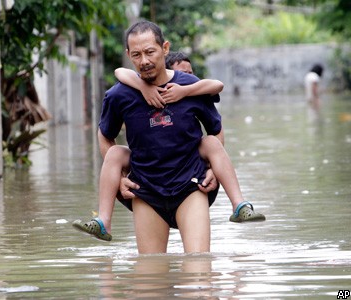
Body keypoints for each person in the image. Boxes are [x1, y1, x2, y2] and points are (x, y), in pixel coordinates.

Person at [73, 20, 264, 253]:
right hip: (146, 191)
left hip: (190, 187)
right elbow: (105, 137)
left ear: (164, 48)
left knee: (199, 268)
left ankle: (240, 205)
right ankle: (103, 221)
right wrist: (120, 179)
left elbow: (215, 131)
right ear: (128, 55)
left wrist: (212, 169)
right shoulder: (119, 95)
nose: (144, 61)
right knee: (150, 278)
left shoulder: (191, 87)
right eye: (137, 55)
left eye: (150, 52)